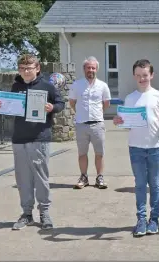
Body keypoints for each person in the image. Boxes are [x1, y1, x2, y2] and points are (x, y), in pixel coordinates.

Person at [0, 54, 65, 230]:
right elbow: (8, 106)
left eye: (29, 68)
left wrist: (52, 107)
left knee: (41, 178)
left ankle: (44, 212)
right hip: (19, 139)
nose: (25, 71)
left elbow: (61, 103)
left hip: (39, 138)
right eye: (22, 68)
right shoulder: (16, 86)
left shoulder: (47, 86)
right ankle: (27, 214)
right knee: (23, 179)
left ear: (37, 68)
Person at [113, 59, 159, 236]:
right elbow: (127, 123)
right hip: (135, 147)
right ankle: (141, 220)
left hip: (156, 147)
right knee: (140, 185)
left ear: (151, 75)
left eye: (145, 75)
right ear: (134, 76)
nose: (142, 78)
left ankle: (154, 220)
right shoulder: (130, 98)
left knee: (155, 184)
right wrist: (118, 121)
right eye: (138, 75)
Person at [69, 56, 111, 189]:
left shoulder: (103, 86)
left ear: (96, 69)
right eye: (88, 68)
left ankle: (99, 177)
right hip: (81, 124)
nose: (90, 70)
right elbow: (72, 102)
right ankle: (84, 177)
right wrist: (81, 113)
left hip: (97, 124)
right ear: (84, 69)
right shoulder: (77, 85)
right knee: (82, 153)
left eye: (93, 68)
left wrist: (97, 114)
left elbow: (106, 103)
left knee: (99, 153)